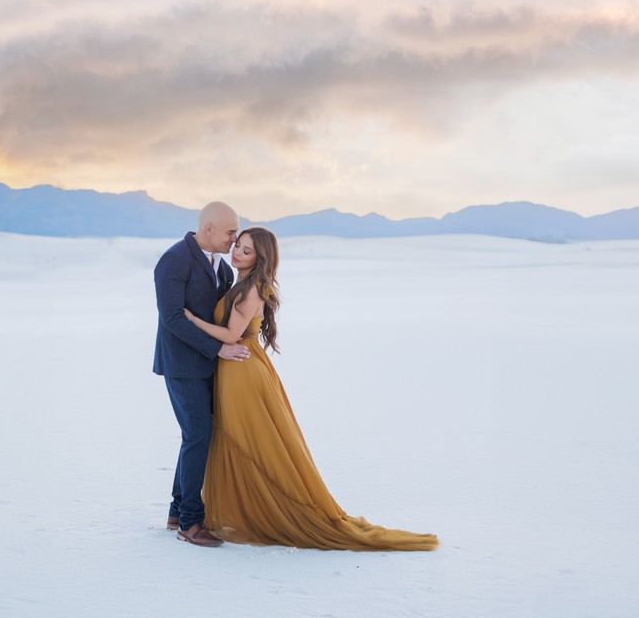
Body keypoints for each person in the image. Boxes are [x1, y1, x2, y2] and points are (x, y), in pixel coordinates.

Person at [183, 227, 438, 551]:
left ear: (260, 259)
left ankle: (273, 511)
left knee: (251, 441)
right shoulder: (241, 284)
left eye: (246, 251)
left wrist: (192, 320)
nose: (236, 253)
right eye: (238, 246)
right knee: (239, 438)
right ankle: (247, 509)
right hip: (237, 369)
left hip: (243, 373)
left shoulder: (251, 290)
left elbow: (231, 335)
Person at [153, 202, 250, 548]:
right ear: (209, 228)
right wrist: (218, 350)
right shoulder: (174, 260)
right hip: (181, 366)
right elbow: (172, 319)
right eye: (230, 231)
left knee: (194, 436)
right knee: (197, 435)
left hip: (207, 366)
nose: (234, 239)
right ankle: (191, 523)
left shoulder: (220, 267)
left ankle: (177, 512)